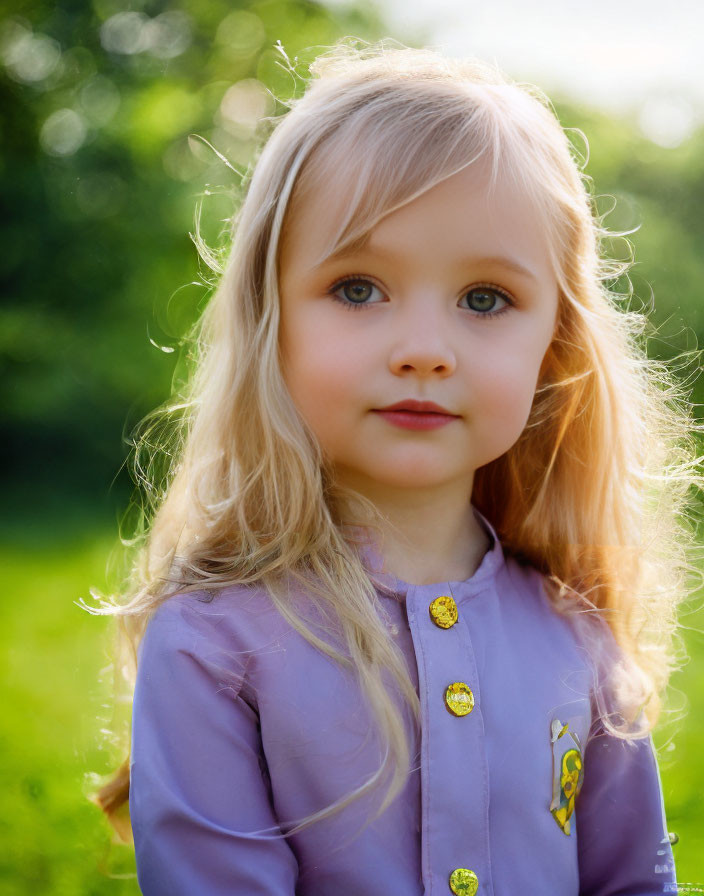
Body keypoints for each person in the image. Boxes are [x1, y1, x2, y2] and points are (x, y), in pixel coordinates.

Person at [82, 38, 701, 895]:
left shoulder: (577, 636)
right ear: (273, 319)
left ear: (553, 348)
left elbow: (633, 880)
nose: (422, 351)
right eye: (359, 288)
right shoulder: (214, 646)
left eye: (485, 299)